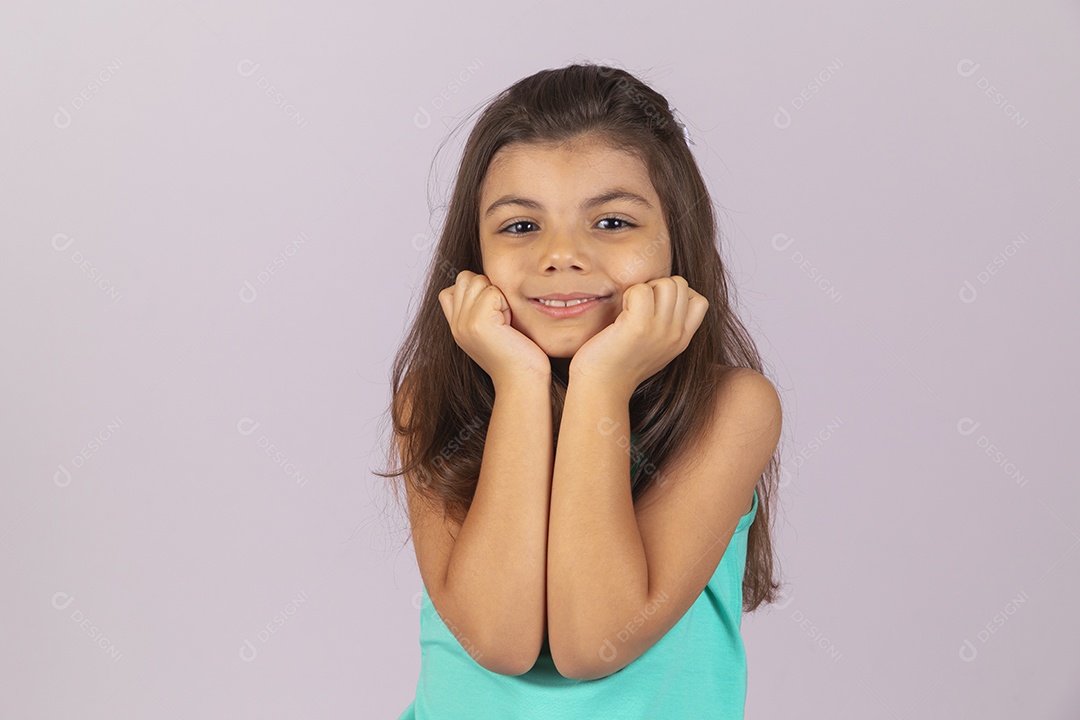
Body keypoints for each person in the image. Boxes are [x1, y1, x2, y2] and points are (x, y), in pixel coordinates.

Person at [378, 61, 785, 719]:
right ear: (474, 255)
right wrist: (517, 383)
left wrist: (602, 383)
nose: (561, 255)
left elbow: (593, 642)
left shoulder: (732, 409)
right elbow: (498, 638)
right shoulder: (431, 400)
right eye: (520, 226)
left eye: (612, 223)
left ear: (676, 241)